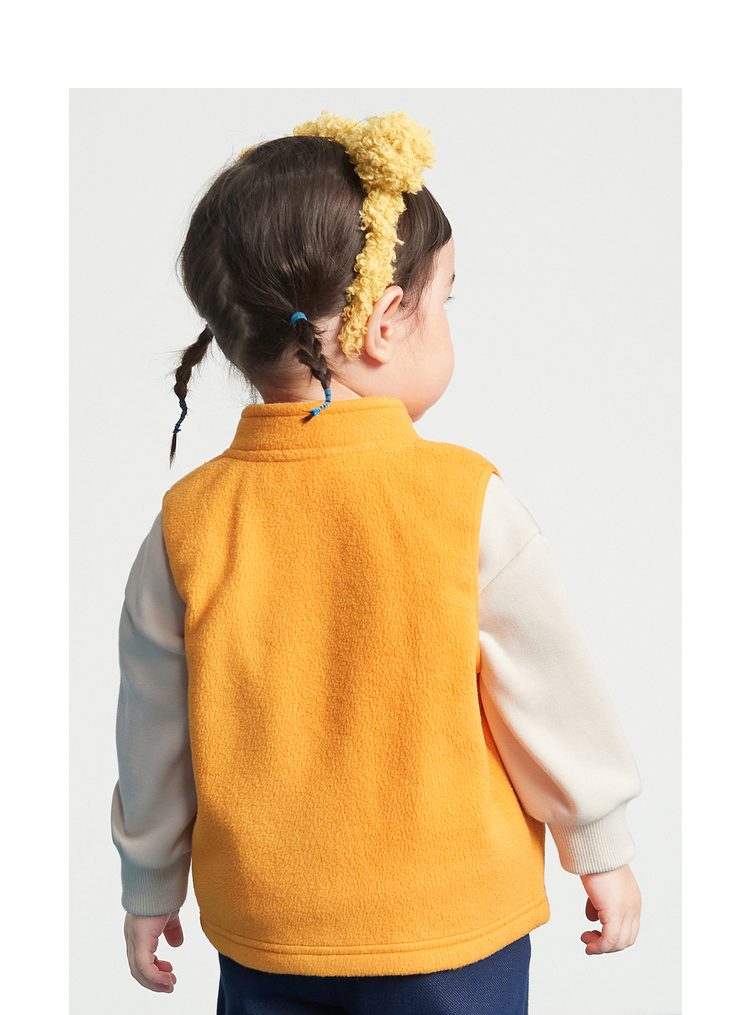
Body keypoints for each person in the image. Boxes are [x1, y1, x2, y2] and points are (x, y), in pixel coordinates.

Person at [111, 110, 642, 1015]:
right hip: (451, 929)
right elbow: (548, 688)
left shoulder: (186, 523)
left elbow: (152, 729)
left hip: (270, 929)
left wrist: (148, 882)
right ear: (385, 322)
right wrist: (598, 843)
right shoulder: (464, 499)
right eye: (445, 300)